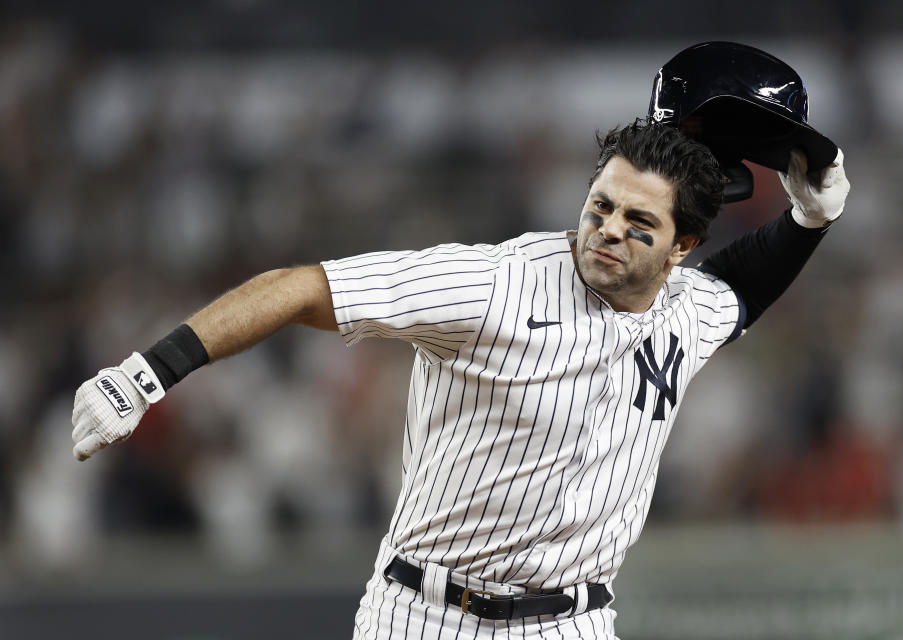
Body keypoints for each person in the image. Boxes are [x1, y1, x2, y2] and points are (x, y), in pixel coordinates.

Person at [70, 45, 850, 639]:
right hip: (427, 612)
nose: (609, 229)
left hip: (571, 622)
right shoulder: (493, 285)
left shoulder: (685, 309)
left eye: (637, 223)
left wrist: (811, 221)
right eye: (600, 205)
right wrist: (148, 371)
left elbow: (743, 285)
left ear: (681, 249)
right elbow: (303, 286)